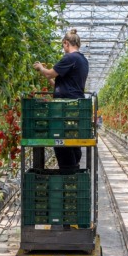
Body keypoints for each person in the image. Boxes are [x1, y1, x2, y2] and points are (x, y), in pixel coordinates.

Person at [33, 29, 89, 172]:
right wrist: (50, 78)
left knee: (61, 139)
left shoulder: (70, 58)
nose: (63, 49)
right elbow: (60, 83)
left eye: (63, 45)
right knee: (71, 136)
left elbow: (49, 73)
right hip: (74, 104)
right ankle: (73, 168)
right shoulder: (83, 60)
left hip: (65, 106)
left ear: (66, 43)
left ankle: (68, 171)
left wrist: (40, 68)